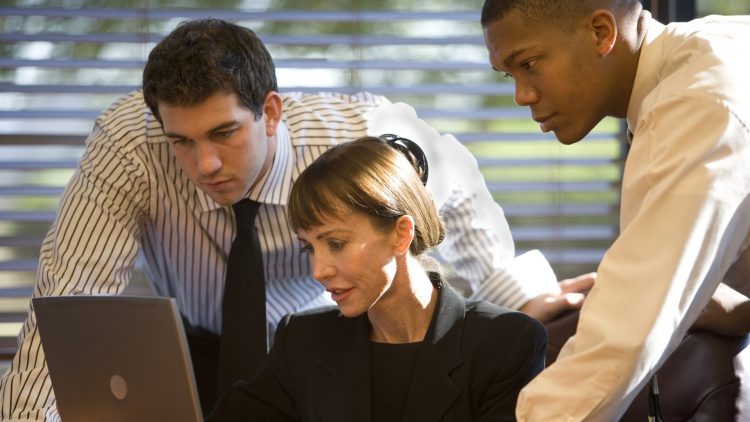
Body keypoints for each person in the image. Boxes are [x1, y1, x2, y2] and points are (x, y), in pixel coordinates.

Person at [0, 18, 586, 421]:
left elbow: (455, 184)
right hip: (206, 349)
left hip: (339, 348)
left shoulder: (356, 139)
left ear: (270, 112)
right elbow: (66, 311)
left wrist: (511, 299)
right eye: (182, 141)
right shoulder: (131, 146)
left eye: (224, 133)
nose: (204, 164)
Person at [481, 0, 750, 420]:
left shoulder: (697, 103)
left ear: (601, 33)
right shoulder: (710, 50)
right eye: (508, 75)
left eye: (530, 64)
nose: (521, 95)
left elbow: (625, 338)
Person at [206, 135, 547, 421]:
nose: (318, 271)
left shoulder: (505, 344)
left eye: (336, 244)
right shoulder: (303, 341)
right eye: (308, 248)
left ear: (401, 235)